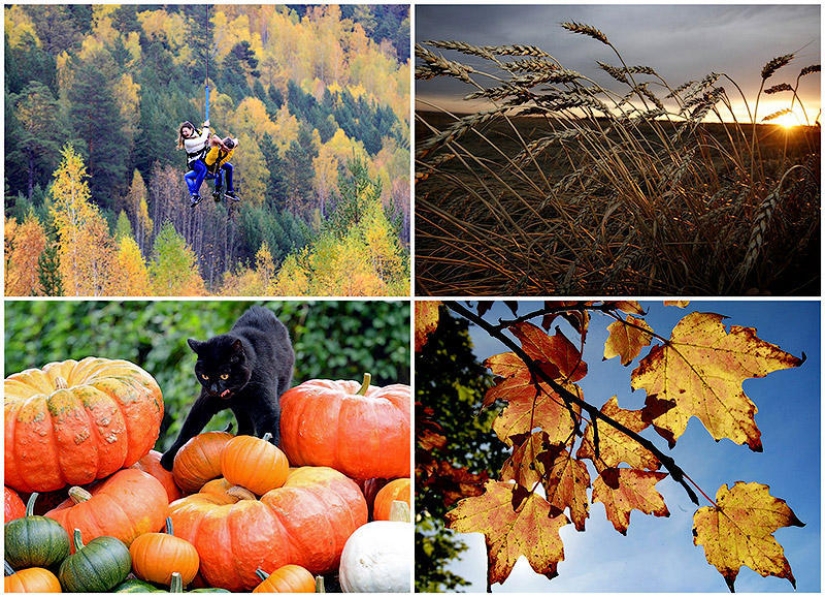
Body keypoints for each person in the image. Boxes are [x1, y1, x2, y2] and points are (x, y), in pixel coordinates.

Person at [177, 120, 211, 207]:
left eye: (186, 131)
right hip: (194, 162)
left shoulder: (196, 132)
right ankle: (195, 192)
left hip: (202, 159)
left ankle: (195, 195)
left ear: (191, 130)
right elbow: (202, 139)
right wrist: (206, 127)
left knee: (188, 176)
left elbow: (204, 139)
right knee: (202, 169)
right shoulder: (187, 142)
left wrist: (206, 133)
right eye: (183, 132)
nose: (184, 133)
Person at [203, 136, 239, 202]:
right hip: (208, 169)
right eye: (227, 150)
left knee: (229, 167)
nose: (229, 151)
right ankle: (217, 190)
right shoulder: (215, 152)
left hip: (218, 165)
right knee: (219, 170)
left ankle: (229, 191)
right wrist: (223, 145)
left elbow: (236, 140)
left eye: (230, 149)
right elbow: (214, 138)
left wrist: (224, 145)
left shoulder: (231, 149)